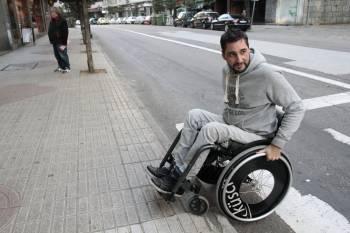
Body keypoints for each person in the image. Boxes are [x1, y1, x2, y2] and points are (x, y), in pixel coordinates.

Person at [147, 29, 305, 195]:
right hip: (232, 123)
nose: (239, 59)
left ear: (249, 48)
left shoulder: (267, 75)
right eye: (232, 54)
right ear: (223, 55)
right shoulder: (227, 71)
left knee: (211, 129)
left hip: (255, 134)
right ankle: (176, 166)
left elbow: (297, 107)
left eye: (243, 52)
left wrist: (277, 144)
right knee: (194, 115)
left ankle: (180, 178)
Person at [48, 7, 70, 73]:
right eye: (51, 13)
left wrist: (64, 43)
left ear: (57, 12)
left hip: (61, 41)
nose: (52, 14)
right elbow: (50, 30)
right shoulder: (52, 21)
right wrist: (51, 40)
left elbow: (65, 32)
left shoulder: (62, 20)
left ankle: (67, 67)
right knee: (57, 55)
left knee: (63, 55)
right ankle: (61, 67)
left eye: (53, 12)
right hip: (54, 41)